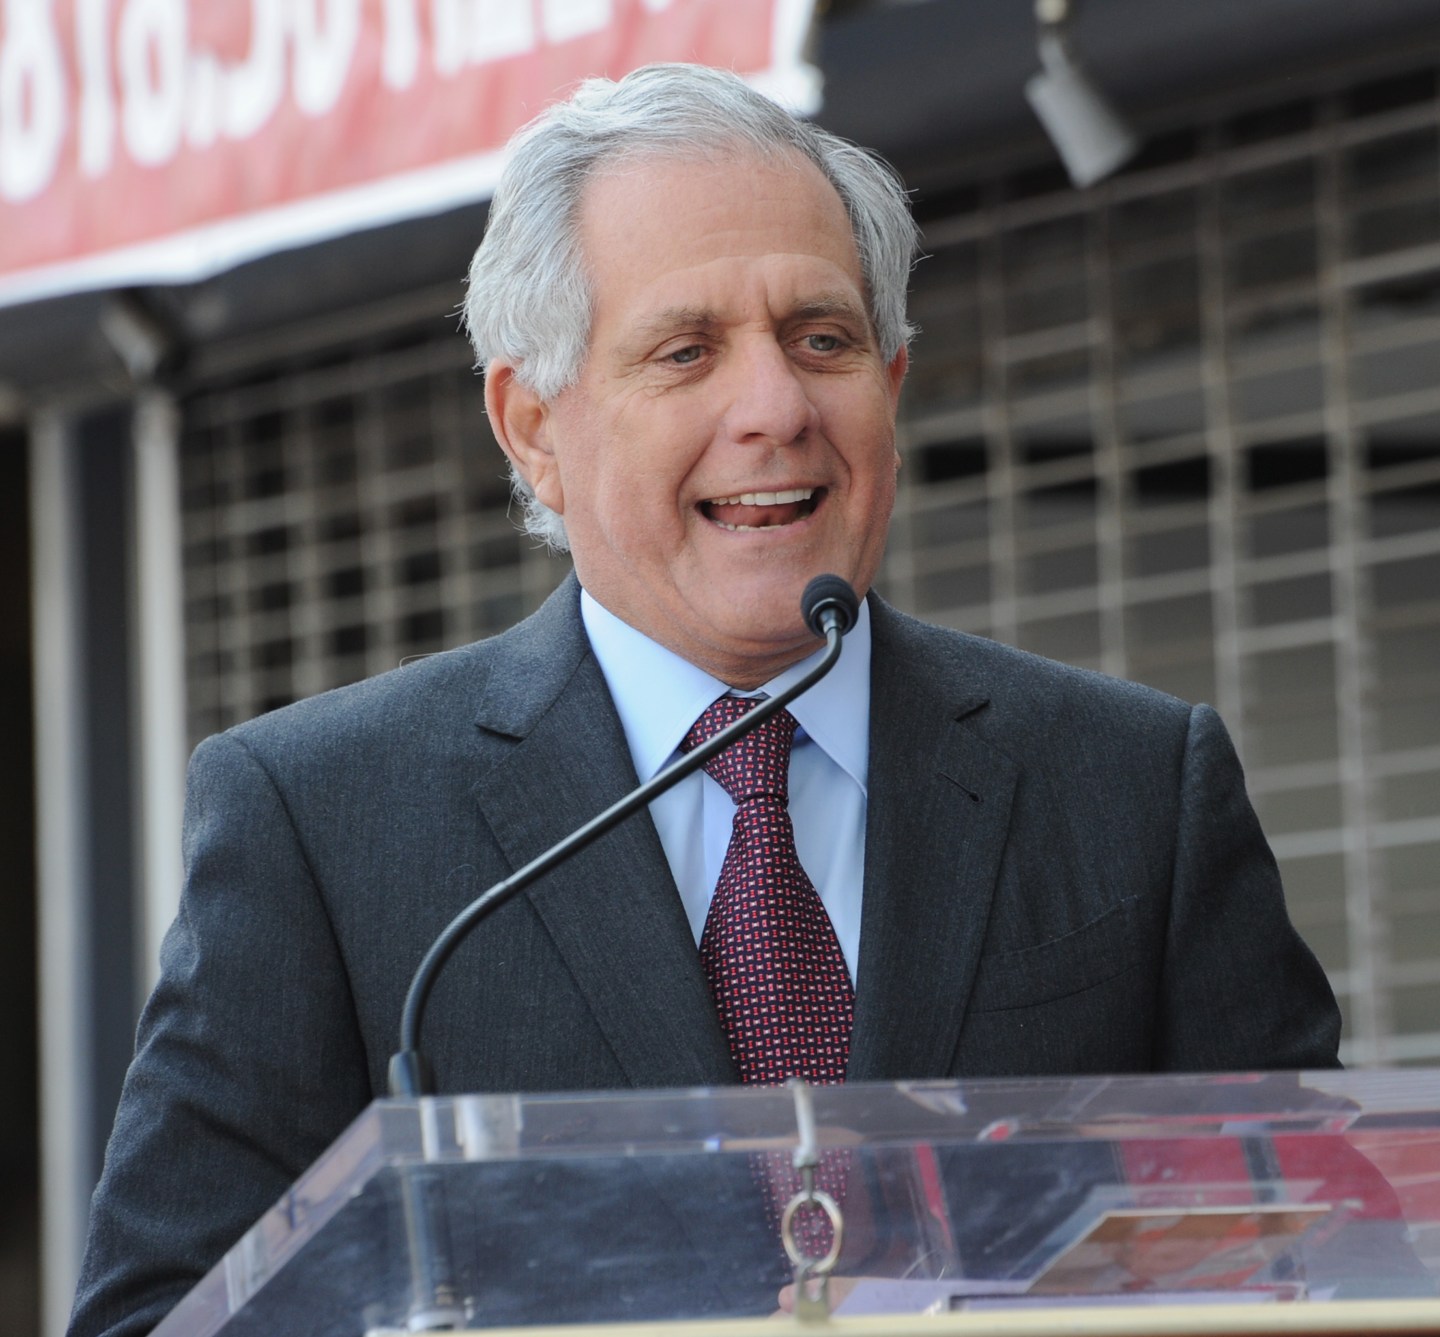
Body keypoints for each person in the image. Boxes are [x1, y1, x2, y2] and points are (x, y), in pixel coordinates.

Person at [68, 63, 1340, 1337]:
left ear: (892, 385)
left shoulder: (1134, 783)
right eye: (686, 351)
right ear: (531, 427)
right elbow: (157, 1313)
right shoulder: (323, 818)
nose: (777, 408)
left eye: (823, 340)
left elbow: (1323, 1258)